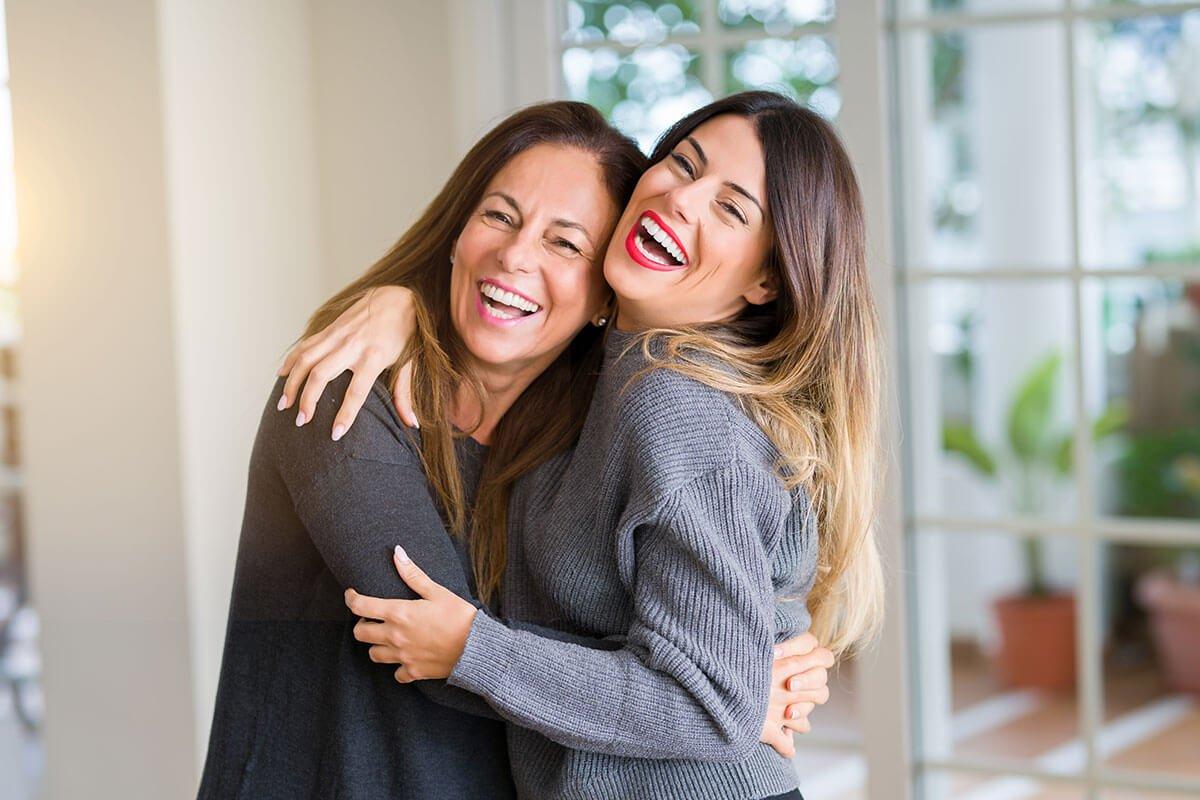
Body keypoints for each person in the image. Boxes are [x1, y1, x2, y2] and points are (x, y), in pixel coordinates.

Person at [200, 100, 828, 800]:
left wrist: (713, 693)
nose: (514, 256)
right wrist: (710, 700)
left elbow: (511, 640)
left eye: (566, 243)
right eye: (498, 216)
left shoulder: (603, 428)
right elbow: (430, 638)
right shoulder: (347, 386)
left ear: (602, 287)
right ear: (457, 232)